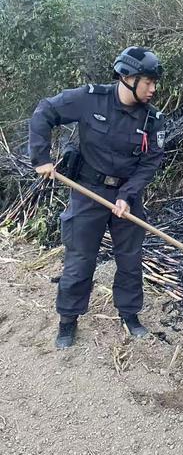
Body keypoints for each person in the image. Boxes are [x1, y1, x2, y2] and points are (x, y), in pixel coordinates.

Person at [28, 47, 166, 349]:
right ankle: (68, 320)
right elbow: (45, 111)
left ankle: (130, 315)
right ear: (127, 77)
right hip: (88, 193)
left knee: (130, 260)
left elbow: (151, 161)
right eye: (148, 82)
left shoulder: (152, 119)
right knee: (80, 258)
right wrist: (41, 157)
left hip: (128, 195)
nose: (154, 89)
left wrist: (128, 196)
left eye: (155, 83)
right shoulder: (89, 98)